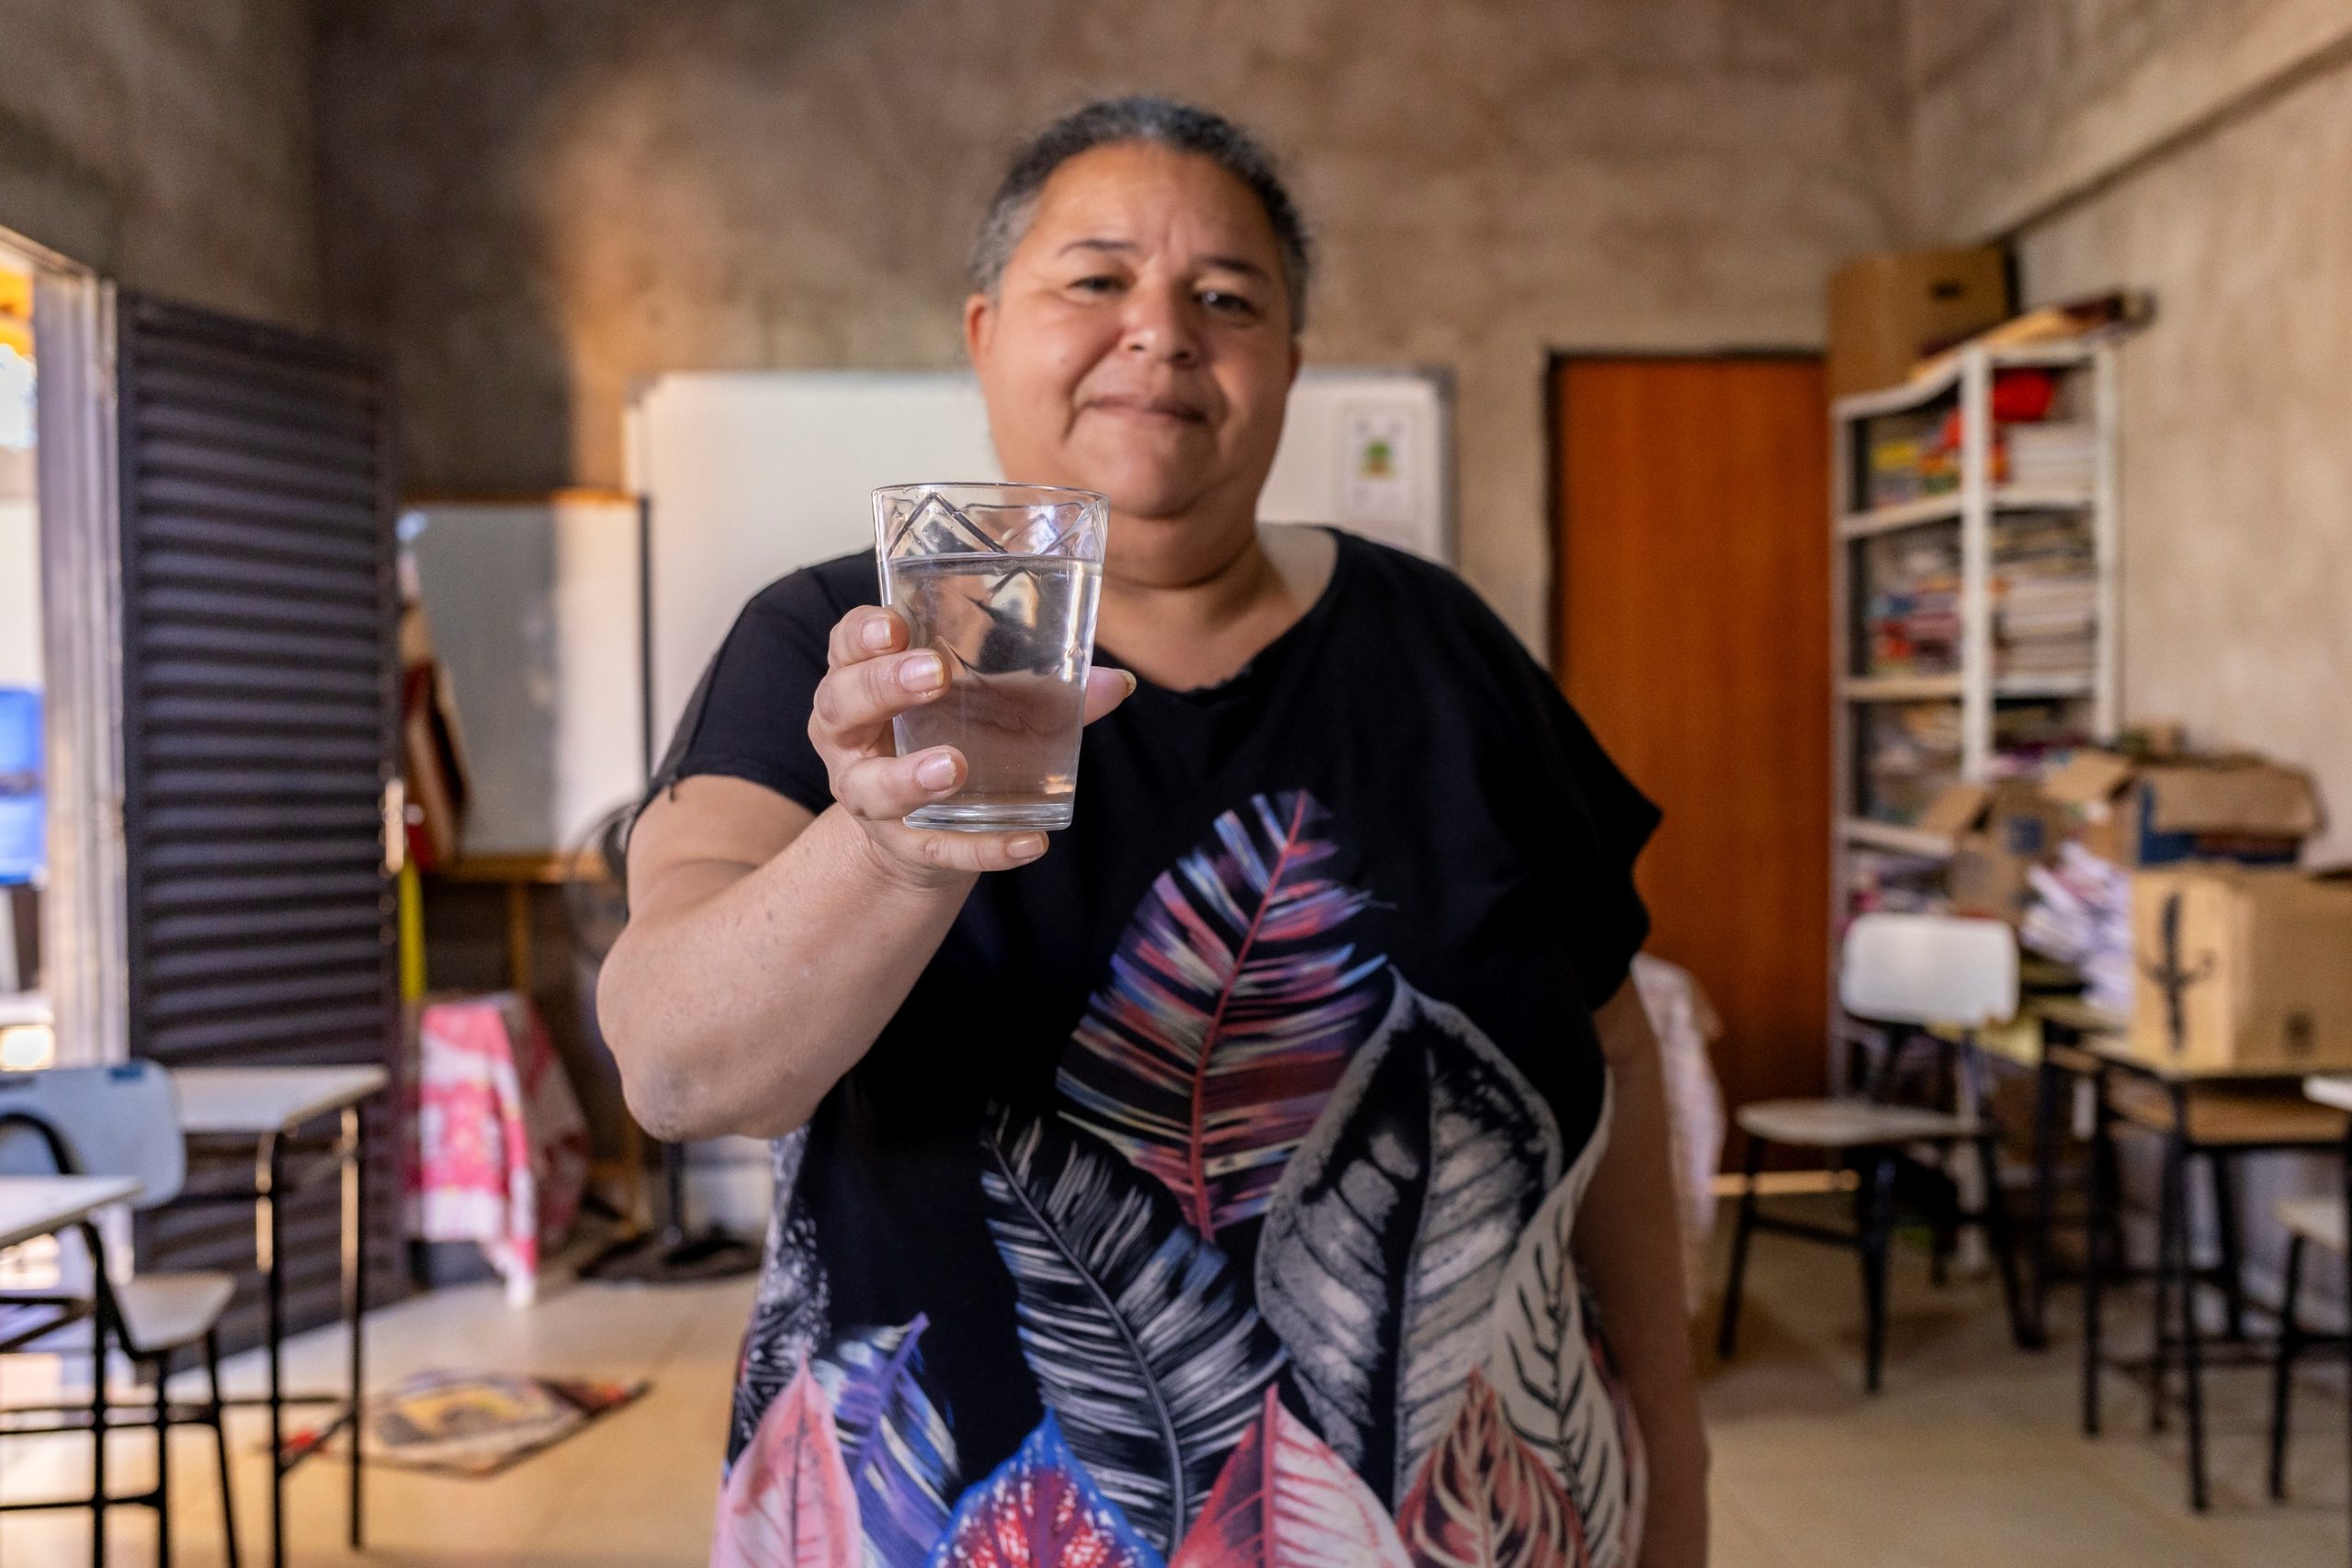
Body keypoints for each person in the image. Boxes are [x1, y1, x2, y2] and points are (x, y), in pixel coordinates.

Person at [601, 96, 1708, 1568]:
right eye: (1098, 278)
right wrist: (884, 850)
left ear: (1290, 364)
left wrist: (1673, 1440)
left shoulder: (1441, 646)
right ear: (987, 331)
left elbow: (1614, 1047)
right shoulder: (828, 642)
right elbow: (679, 1066)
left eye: (1228, 298)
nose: (1165, 333)